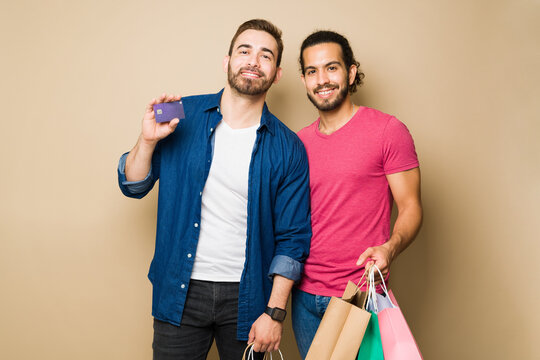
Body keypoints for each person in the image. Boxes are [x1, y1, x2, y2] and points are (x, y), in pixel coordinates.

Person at [117, 19, 311, 360]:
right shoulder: (180, 112)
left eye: (266, 55)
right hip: (179, 290)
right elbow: (133, 185)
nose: (253, 60)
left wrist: (274, 312)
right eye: (244, 51)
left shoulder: (289, 147)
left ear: (277, 74)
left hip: (248, 299)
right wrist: (146, 141)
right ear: (227, 61)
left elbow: (293, 239)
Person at [292, 30, 423, 358]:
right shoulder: (297, 144)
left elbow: (410, 207)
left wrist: (390, 248)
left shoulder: (388, 131)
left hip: (359, 294)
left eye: (331, 68)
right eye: (312, 71)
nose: (322, 79)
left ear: (351, 72)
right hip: (304, 298)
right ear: (305, 80)